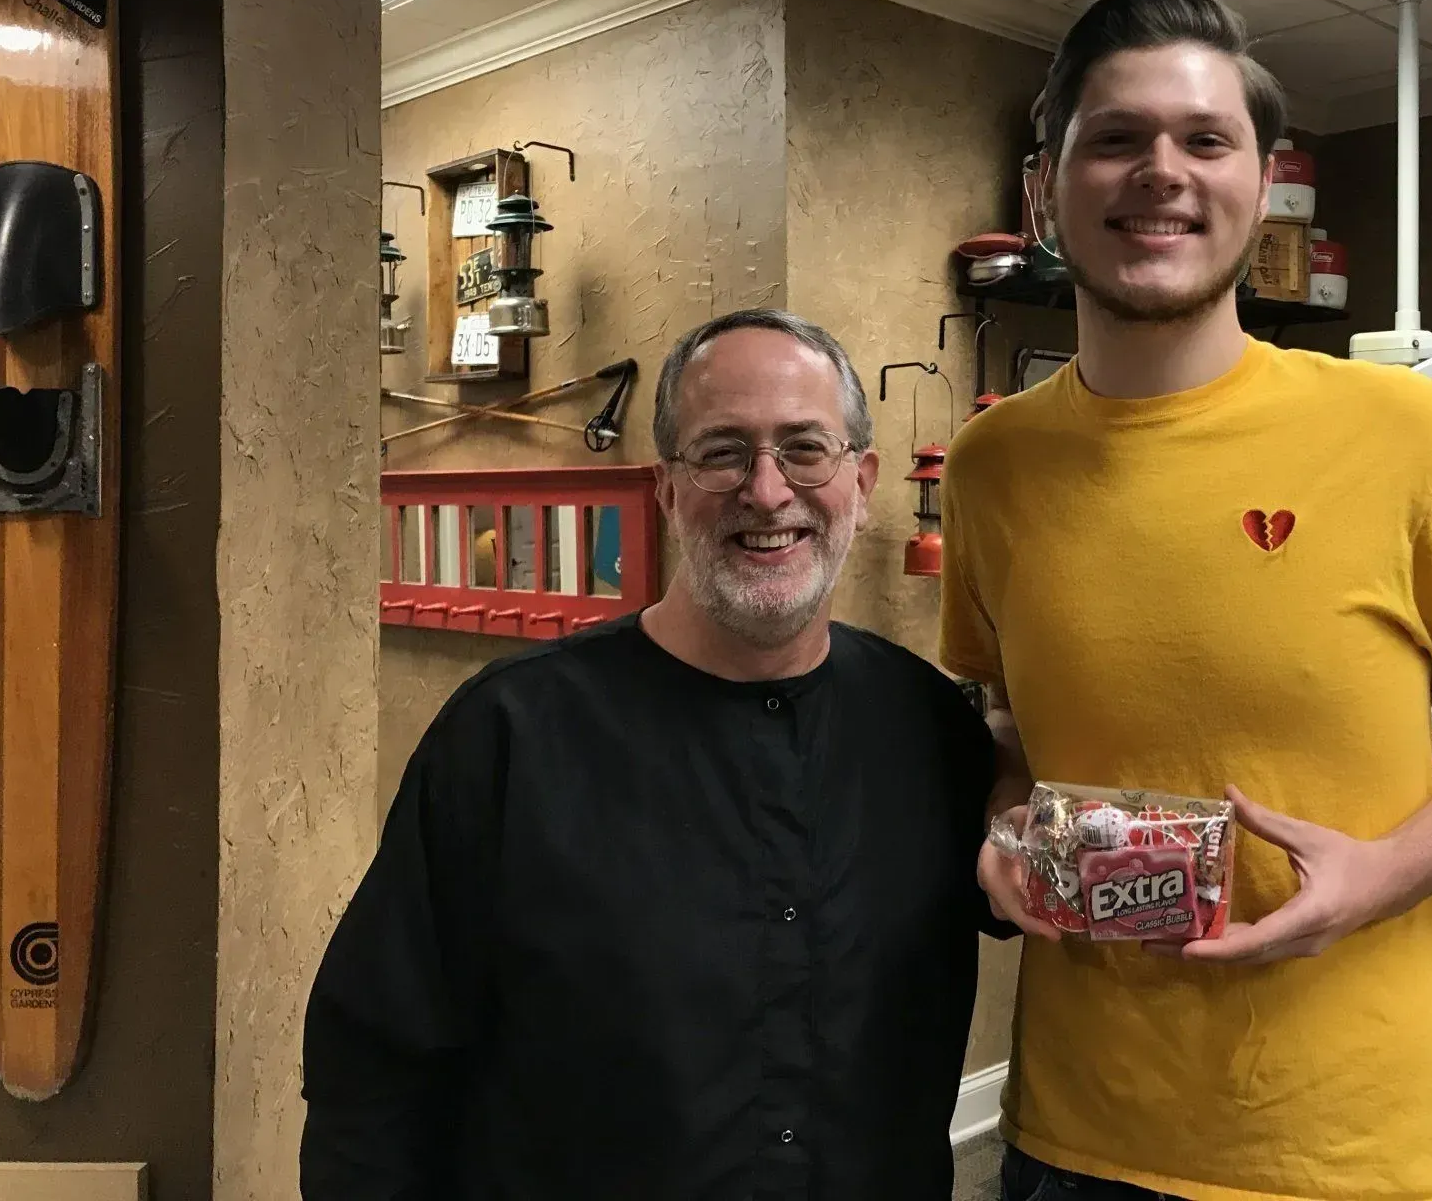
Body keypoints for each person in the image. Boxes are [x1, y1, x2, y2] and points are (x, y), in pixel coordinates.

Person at [941, 0, 1432, 1201]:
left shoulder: (1408, 432)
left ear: (1262, 191)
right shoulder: (993, 463)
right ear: (1045, 192)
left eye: (1205, 141)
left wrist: (1384, 873)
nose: (1162, 171)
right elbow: (1015, 729)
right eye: (1116, 138)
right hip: (1076, 1136)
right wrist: (1004, 827)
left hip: (1353, 1149)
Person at [302, 308, 1006, 1200]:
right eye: (722, 452)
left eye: (805, 449)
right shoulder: (510, 736)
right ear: (668, 490)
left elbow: (1049, 883)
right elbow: (372, 1072)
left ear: (862, 484)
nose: (766, 491)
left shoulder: (930, 728)